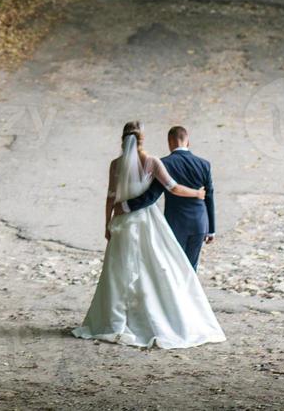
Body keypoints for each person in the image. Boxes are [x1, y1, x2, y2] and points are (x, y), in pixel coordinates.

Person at [70, 121, 225, 349]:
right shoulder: (152, 162)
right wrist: (197, 193)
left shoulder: (115, 164)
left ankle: (114, 320)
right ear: (142, 138)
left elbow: (110, 197)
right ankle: (154, 316)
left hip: (122, 222)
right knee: (154, 268)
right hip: (146, 221)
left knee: (118, 272)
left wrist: (107, 223)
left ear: (123, 139)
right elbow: (172, 187)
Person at [120, 125, 216, 269]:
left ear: (169, 142)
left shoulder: (164, 163)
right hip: (199, 223)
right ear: (187, 142)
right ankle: (190, 291)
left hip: (175, 222)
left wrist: (126, 205)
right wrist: (211, 229)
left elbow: (152, 195)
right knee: (192, 267)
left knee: (174, 265)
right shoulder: (204, 164)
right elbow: (209, 197)